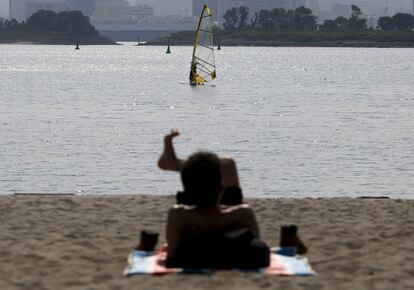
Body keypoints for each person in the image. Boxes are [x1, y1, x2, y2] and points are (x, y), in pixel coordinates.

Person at [158, 130, 270, 268]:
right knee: (227, 164)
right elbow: (261, 251)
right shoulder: (242, 214)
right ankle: (176, 164)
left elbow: (172, 258)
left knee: (212, 167)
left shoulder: (179, 215)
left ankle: (177, 164)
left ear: (185, 194)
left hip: (195, 237)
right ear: (222, 189)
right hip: (230, 239)